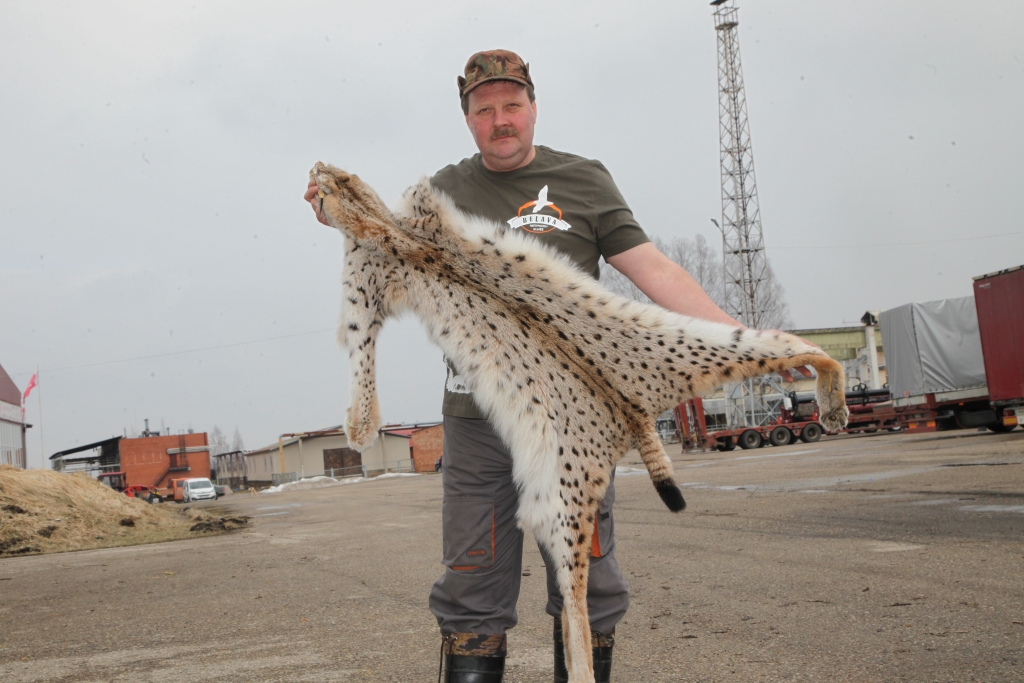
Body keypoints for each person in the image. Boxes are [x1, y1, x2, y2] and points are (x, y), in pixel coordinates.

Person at [306, 50, 748, 683]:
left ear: (533, 108)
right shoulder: (443, 193)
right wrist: (332, 211)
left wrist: (733, 338)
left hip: (574, 427)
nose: (500, 120)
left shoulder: (584, 182)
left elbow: (655, 269)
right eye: (484, 109)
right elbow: (382, 241)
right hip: (478, 424)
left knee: (589, 587)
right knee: (471, 593)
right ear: (468, 120)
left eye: (512, 105)